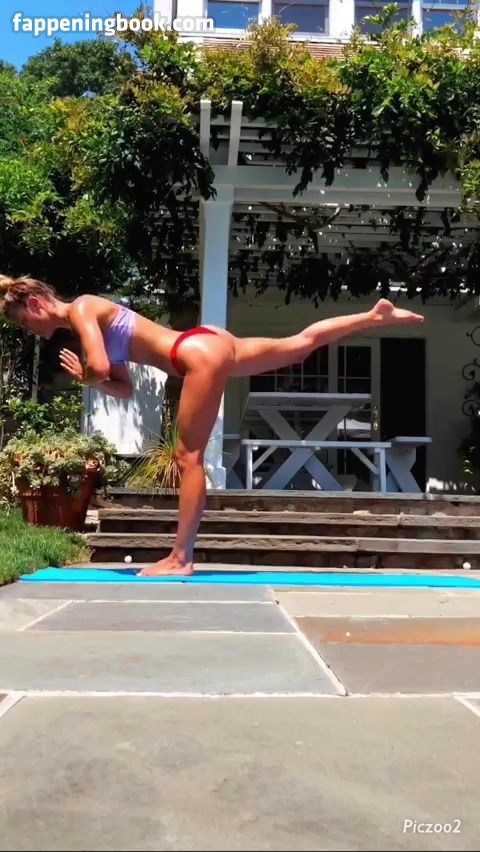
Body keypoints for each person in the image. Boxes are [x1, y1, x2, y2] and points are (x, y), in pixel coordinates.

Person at [0, 274, 424, 576]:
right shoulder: (89, 317)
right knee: (297, 347)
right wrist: (96, 378)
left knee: (187, 457)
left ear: (35, 304)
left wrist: (87, 377)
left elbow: (97, 367)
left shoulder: (82, 309)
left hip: (194, 355)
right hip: (205, 343)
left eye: (23, 322)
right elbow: (123, 387)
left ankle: (180, 557)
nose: (30, 331)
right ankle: (373, 317)